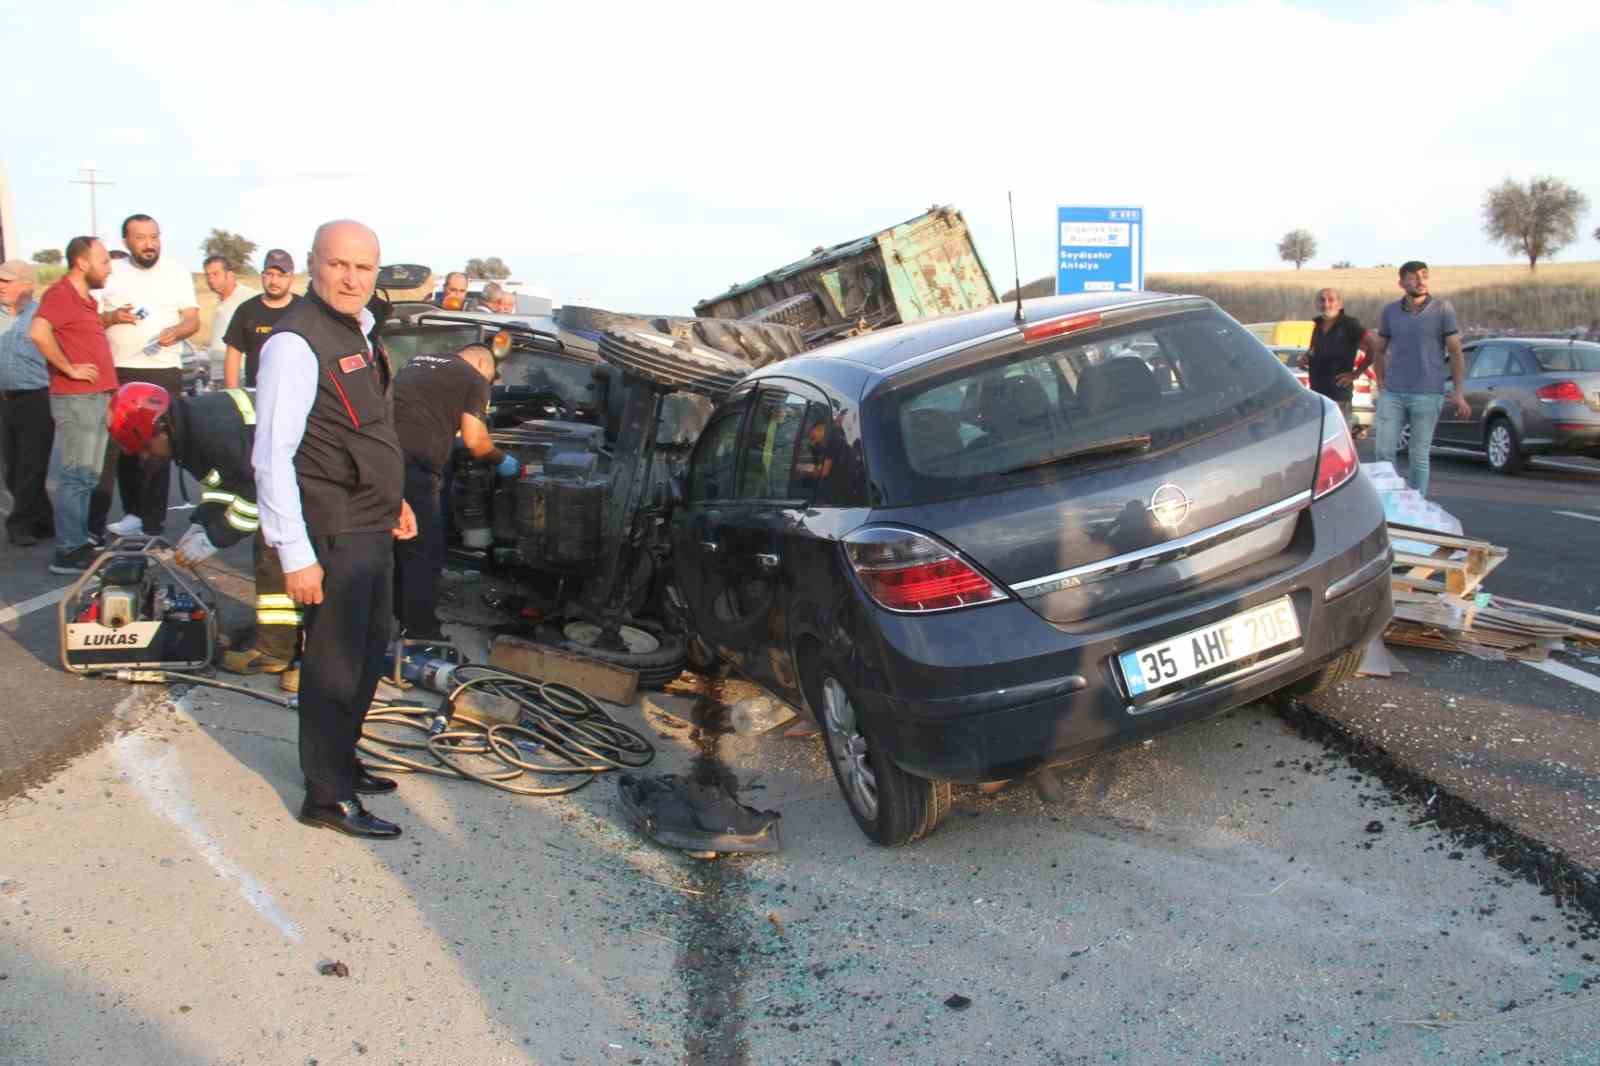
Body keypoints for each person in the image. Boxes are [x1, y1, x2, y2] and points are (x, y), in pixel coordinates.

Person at [253, 219, 416, 839]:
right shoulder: (295, 343)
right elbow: (272, 453)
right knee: (334, 666)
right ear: (312, 266)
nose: (351, 278)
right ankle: (326, 794)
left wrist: (395, 499)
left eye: (363, 268)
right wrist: (294, 554)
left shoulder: (361, 331)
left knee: (369, 653)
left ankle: (342, 760)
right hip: (333, 530)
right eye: (338, 264)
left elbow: (367, 429)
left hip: (371, 524)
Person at [392, 343, 513, 639]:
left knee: (391, 550)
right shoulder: (474, 378)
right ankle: (421, 634)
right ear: (484, 365)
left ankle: (385, 622)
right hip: (415, 470)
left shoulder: (416, 360)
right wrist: (505, 462)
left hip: (379, 463)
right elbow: (474, 440)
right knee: (424, 554)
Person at [93, 213, 199, 539]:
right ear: (126, 241)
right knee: (125, 447)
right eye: (140, 237)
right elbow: (92, 321)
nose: (149, 244)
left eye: (154, 236)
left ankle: (154, 523)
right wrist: (113, 316)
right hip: (122, 369)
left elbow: (192, 321)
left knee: (159, 449)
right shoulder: (113, 273)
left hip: (163, 371)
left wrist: (176, 331)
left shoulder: (177, 273)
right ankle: (133, 514)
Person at [29, 237, 120, 574]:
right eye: (104, 261)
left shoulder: (84, 300)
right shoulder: (60, 295)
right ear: (82, 263)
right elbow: (39, 332)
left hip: (97, 397)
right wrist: (68, 367)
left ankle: (79, 539)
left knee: (89, 475)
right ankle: (69, 550)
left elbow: (80, 332)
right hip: (77, 398)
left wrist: (112, 318)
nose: (109, 269)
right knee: (75, 475)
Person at [1370, 261, 1470, 497]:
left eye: (1424, 275)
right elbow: (1379, 349)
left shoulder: (1442, 309)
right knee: (1383, 452)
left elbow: (1455, 351)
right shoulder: (1390, 311)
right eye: (1414, 277)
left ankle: (1416, 504)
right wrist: (1381, 382)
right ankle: (1388, 502)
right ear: (1402, 282)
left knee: (1418, 454)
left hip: (1428, 393)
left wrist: (1458, 391)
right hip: (1393, 392)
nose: (1421, 281)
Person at [1, 261, 55, 547]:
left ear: (27, 285)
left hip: (36, 398)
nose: (0, 285)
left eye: (7, 280)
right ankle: (44, 520)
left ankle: (19, 524)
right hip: (4, 400)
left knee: (31, 465)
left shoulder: (43, 317)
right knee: (11, 467)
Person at [1301, 288, 1375, 437]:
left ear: (1340, 304)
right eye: (1322, 300)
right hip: (1318, 393)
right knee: (1319, 440)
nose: (1326, 304)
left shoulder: (1350, 324)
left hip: (1339, 395)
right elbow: (1314, 350)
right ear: (1316, 303)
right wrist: (1305, 357)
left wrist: (1356, 373)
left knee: (1338, 439)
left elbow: (1373, 346)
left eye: (1331, 300)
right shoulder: (1318, 325)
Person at [223, 249, 300, 388]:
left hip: (298, 394)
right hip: (257, 395)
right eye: (269, 274)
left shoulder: (305, 310)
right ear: (262, 275)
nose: (274, 281)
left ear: (291, 278)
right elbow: (233, 356)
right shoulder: (246, 310)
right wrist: (233, 396)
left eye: (281, 275)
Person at [203, 255, 258, 388]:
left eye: (215, 274)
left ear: (230, 275)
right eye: (207, 275)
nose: (210, 279)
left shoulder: (249, 299)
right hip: (217, 377)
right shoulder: (219, 302)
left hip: (239, 376)